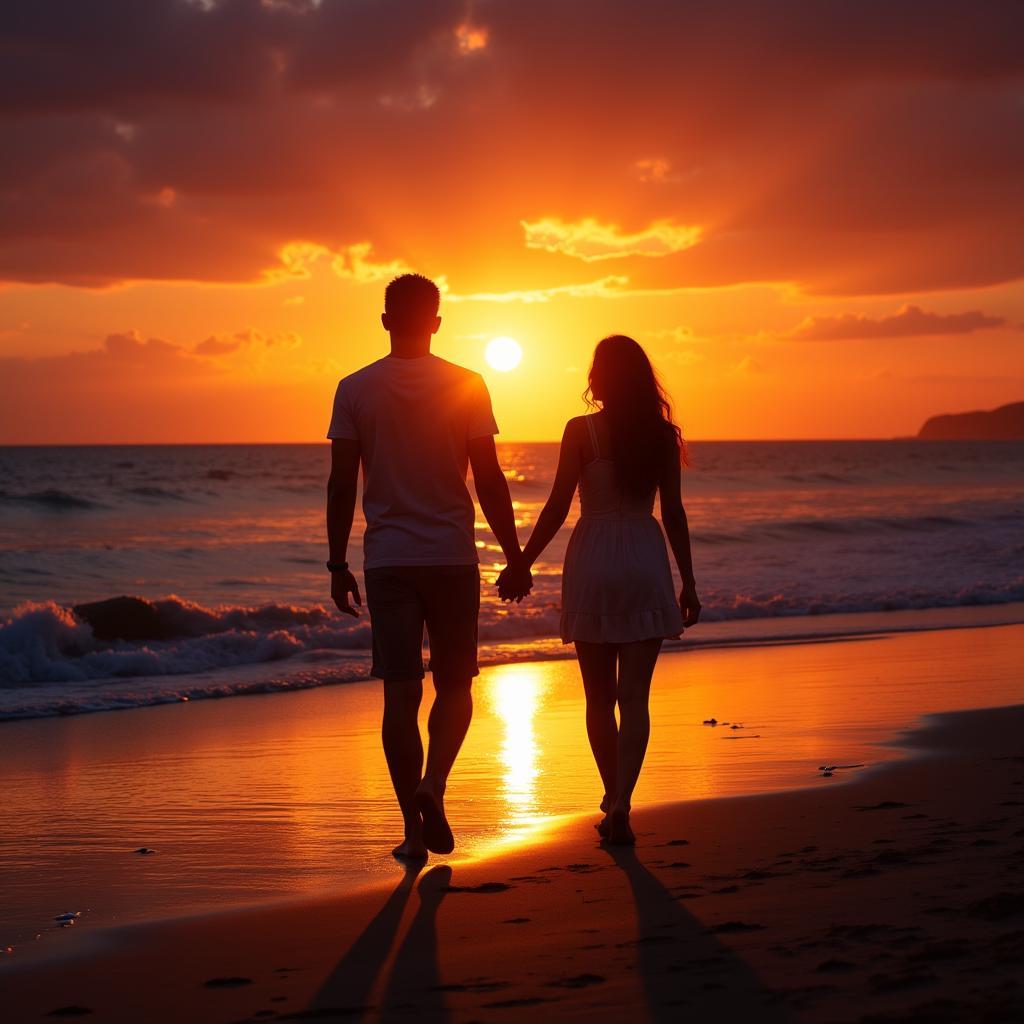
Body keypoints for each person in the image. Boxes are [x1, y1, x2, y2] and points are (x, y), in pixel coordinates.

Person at [326, 273, 528, 861]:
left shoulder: (354, 388)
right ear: (436, 322)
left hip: (388, 560)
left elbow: (342, 484)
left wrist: (338, 562)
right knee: (456, 685)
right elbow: (488, 478)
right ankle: (434, 785)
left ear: (386, 319)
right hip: (451, 557)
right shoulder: (467, 384)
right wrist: (514, 554)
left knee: (399, 693)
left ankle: (412, 833)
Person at [499, 336, 700, 845]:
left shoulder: (580, 431)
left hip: (592, 561)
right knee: (635, 698)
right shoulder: (661, 435)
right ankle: (625, 801)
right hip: (643, 558)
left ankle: (611, 796)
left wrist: (521, 562)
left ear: (599, 378)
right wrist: (690, 582)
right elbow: (672, 514)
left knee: (598, 697)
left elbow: (557, 505)